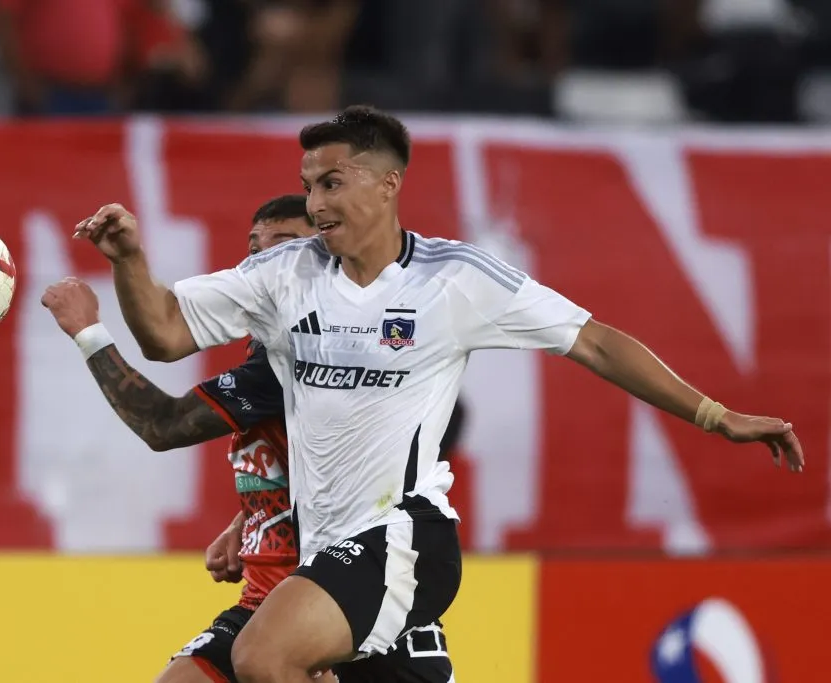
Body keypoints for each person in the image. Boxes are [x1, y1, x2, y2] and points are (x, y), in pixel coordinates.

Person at [71, 105, 803, 683]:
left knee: (265, 658)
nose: (315, 201)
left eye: (332, 183)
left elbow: (597, 341)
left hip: (405, 537)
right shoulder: (285, 275)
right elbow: (165, 332)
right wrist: (131, 261)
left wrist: (716, 414)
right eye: (309, 184)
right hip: (324, 552)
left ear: (387, 184)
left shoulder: (455, 278)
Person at [44, 194, 466, 682]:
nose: (263, 260)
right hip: (263, 601)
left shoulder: (322, 357)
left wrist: (88, 332)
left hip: (344, 603)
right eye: (254, 248)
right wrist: (251, 514)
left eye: (283, 244)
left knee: (268, 661)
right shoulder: (278, 354)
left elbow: (161, 424)